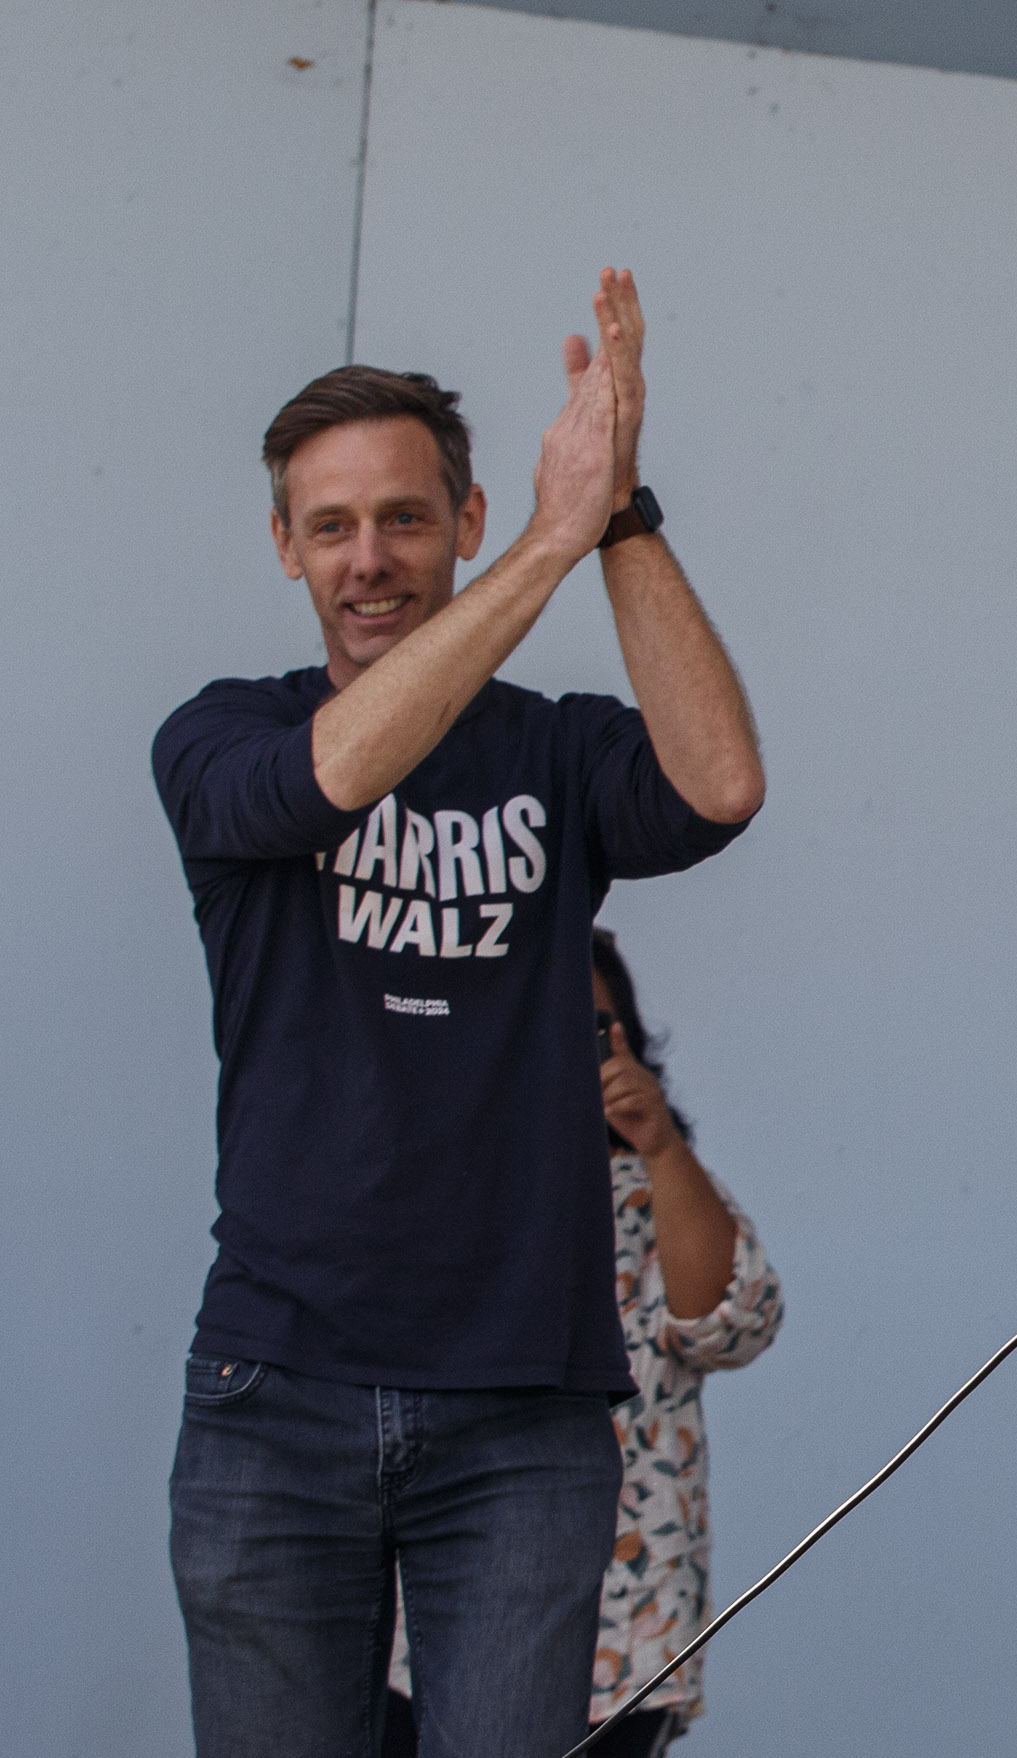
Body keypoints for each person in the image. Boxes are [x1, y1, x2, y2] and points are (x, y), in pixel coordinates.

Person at [154, 269, 768, 1758]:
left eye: (408, 517)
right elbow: (335, 776)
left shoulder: (554, 755)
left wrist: (616, 512)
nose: (373, 558)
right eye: (334, 526)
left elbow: (718, 786)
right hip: (274, 1391)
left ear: (468, 521)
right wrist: (552, 545)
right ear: (288, 549)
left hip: (523, 1409)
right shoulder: (222, 735)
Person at [386, 929, 785, 1757]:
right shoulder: (433, 1179)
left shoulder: (654, 1191)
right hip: (434, 1625)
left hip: (621, 1635)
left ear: (629, 1044)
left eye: (592, 1027)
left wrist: (660, 1145)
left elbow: (735, 1321)